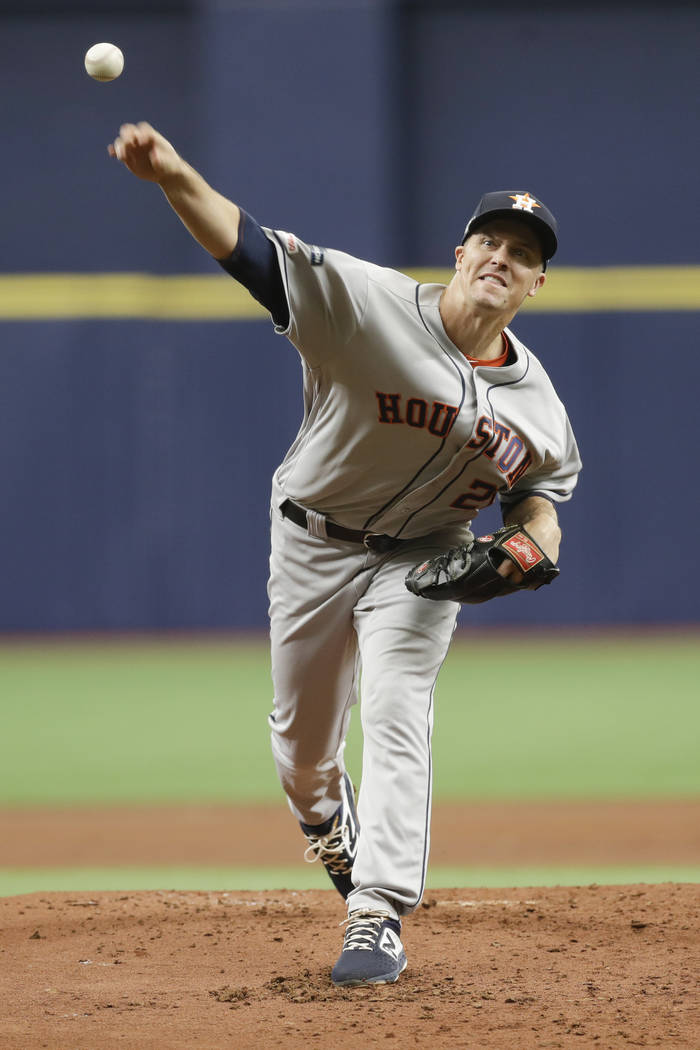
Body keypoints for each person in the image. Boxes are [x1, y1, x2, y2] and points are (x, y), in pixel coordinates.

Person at [109, 123, 581, 987]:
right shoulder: (366, 304)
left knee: (399, 705)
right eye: (489, 241)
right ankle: (328, 821)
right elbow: (248, 250)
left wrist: (528, 547)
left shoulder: (540, 407)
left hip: (427, 559)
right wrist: (173, 174)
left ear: (537, 282)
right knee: (301, 751)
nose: (501, 258)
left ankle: (377, 914)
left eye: (522, 253)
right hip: (313, 540)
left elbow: (543, 496)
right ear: (461, 251)